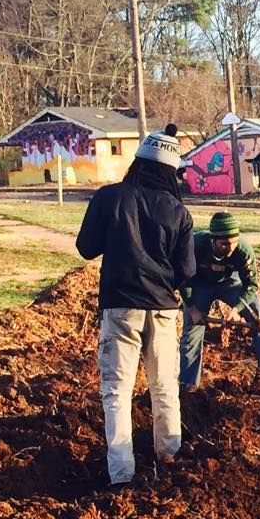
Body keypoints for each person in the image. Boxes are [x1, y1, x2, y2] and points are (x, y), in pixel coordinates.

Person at [76, 124, 195, 487]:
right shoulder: (178, 211)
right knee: (164, 387)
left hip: (120, 308)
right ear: (170, 171)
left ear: (138, 162)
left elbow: (86, 248)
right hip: (162, 310)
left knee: (116, 391)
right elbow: (186, 272)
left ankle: (121, 474)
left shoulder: (108, 198)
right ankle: (169, 456)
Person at [179, 211, 260, 393]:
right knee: (192, 328)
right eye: (224, 244)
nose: (230, 248)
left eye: (234, 242)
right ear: (213, 240)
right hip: (199, 284)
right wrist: (192, 308)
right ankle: (188, 386)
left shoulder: (243, 250)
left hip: (230, 283)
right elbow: (182, 279)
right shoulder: (195, 245)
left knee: (259, 317)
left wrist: (237, 308)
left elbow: (252, 285)